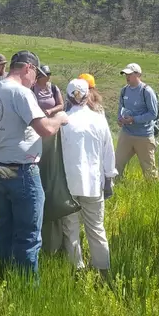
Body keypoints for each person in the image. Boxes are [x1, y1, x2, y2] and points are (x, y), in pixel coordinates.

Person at [0, 50, 69, 278]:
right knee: (29, 235)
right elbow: (46, 129)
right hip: (21, 171)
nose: (35, 80)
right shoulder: (21, 93)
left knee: (6, 226)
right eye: (35, 74)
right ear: (28, 69)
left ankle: (0, 274)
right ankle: (25, 285)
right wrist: (61, 118)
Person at [59, 78, 117, 279]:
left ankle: (77, 270)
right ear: (87, 97)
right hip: (93, 184)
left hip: (69, 184)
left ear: (68, 97)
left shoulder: (63, 120)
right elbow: (108, 152)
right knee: (96, 229)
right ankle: (103, 273)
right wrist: (109, 178)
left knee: (71, 228)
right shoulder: (99, 120)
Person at [32, 65, 67, 255]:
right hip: (37, 128)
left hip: (52, 127)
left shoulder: (53, 88)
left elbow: (61, 105)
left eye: (48, 75)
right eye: (44, 75)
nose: (46, 77)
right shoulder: (33, 89)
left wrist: (52, 110)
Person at [115, 63, 159, 181]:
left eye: (130, 74)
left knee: (149, 170)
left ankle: (151, 193)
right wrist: (120, 119)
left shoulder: (147, 91)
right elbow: (121, 107)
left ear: (138, 74)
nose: (127, 77)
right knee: (116, 165)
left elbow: (153, 114)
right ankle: (113, 189)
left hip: (144, 136)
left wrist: (134, 119)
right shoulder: (124, 90)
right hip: (126, 134)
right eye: (126, 74)